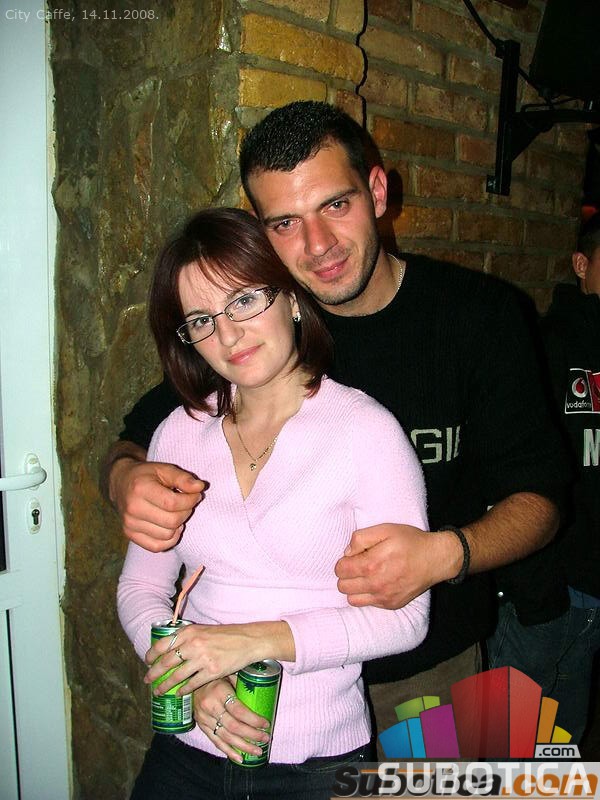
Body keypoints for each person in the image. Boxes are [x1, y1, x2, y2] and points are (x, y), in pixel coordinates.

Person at [105, 101, 566, 747]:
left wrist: (444, 553)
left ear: (376, 191)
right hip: (279, 687)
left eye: (336, 205)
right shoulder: (258, 332)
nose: (317, 244)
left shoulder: (479, 315)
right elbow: (146, 430)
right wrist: (124, 479)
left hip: (431, 666)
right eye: (285, 223)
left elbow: (542, 501)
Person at [118, 206, 430, 798]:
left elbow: (407, 619)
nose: (227, 334)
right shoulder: (178, 434)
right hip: (188, 749)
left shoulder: (365, 431)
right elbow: (140, 587)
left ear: (291, 298)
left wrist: (254, 640)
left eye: (243, 300)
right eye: (201, 320)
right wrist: (190, 680)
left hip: (319, 761)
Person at [488, 212, 600, 743]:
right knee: (505, 745)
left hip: (594, 592)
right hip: (549, 590)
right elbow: (506, 466)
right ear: (581, 264)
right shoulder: (545, 345)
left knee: (564, 739)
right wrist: (534, 591)